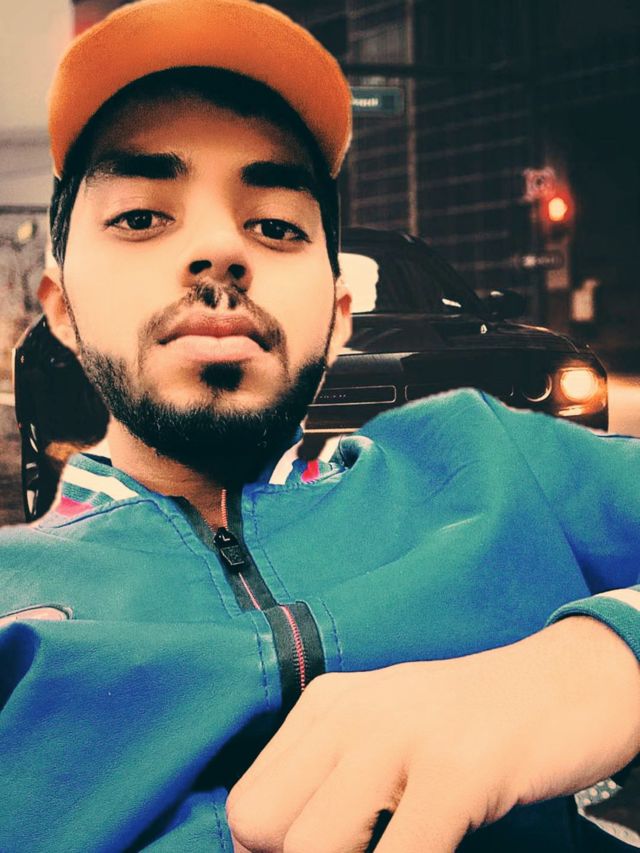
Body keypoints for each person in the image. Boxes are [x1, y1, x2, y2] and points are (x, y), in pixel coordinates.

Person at [0, 1, 638, 851]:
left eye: (275, 225)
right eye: (142, 216)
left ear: (337, 316)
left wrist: (595, 661)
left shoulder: (493, 461)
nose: (220, 249)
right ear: (61, 310)